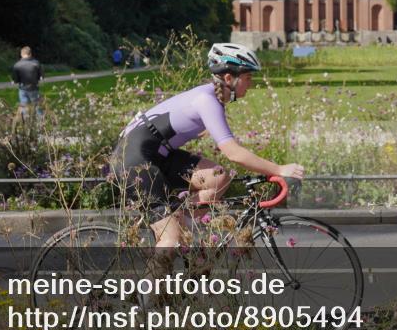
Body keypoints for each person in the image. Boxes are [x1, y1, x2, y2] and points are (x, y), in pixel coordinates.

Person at [110, 42, 304, 254]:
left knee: (218, 176)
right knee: (171, 241)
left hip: (158, 155)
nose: (251, 84)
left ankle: (183, 225)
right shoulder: (207, 100)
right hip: (134, 160)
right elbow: (233, 153)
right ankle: (153, 283)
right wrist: (278, 169)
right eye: (248, 78)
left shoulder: (211, 98)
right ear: (229, 78)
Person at [11, 46, 43, 119]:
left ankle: (25, 122)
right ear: (30, 54)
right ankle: (41, 121)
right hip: (34, 88)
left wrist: (14, 81)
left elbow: (15, 80)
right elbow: (41, 77)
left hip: (23, 88)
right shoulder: (36, 63)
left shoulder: (17, 65)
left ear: (21, 54)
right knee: (37, 106)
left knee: (24, 107)